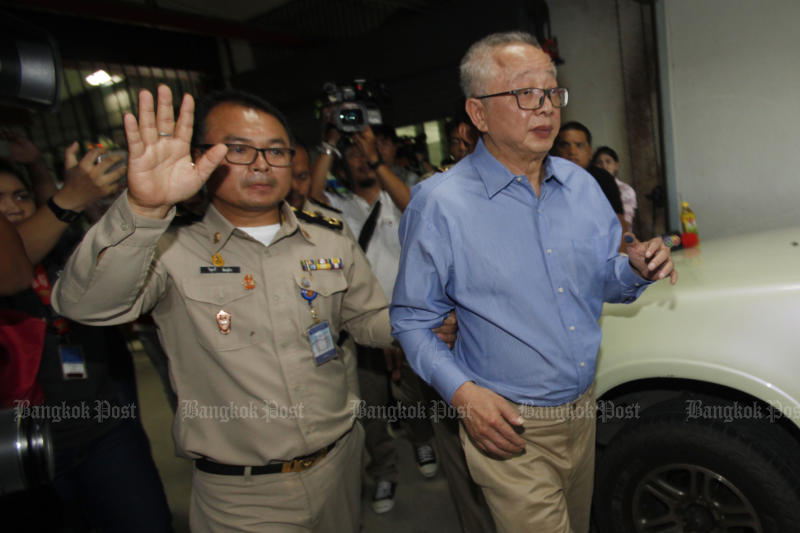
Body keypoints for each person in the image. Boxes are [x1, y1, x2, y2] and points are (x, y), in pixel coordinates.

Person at [51, 86, 453, 533]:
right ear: (202, 157)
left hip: (340, 467)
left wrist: (424, 325)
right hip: (243, 495)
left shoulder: (328, 237)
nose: (261, 164)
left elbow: (365, 317)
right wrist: (144, 209)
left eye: (275, 151)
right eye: (239, 150)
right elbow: (84, 305)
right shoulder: (169, 248)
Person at [390, 31, 676, 533]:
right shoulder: (440, 204)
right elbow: (412, 320)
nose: (545, 108)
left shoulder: (582, 186)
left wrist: (632, 268)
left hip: (584, 409)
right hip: (508, 424)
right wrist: (464, 395)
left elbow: (598, 280)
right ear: (478, 114)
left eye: (551, 93)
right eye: (525, 94)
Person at [0, 154, 173, 533]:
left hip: (105, 428)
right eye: (0, 199)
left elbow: (61, 226)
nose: (11, 207)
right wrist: (71, 195)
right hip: (35, 441)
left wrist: (42, 171)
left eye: (20, 195)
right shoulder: (12, 263)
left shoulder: (60, 250)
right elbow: (17, 257)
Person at [313, 128, 440, 514]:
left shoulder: (399, 197)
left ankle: (421, 439)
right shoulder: (337, 205)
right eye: (351, 155)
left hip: (408, 321)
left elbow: (414, 204)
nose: (360, 160)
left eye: (366, 153)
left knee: (414, 396)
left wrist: (376, 160)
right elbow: (310, 195)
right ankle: (384, 468)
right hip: (359, 324)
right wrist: (330, 142)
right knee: (370, 405)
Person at [592, 145, 637, 228]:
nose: (604, 166)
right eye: (599, 163)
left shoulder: (625, 190)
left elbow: (625, 222)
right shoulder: (590, 188)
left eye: (608, 162)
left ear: (616, 165)